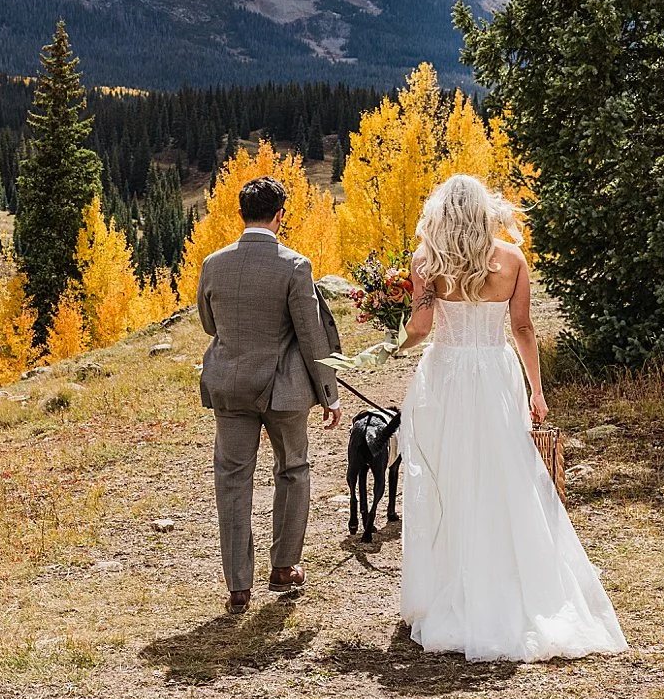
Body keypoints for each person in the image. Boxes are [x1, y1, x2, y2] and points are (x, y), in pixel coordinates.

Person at [394, 174, 626, 661]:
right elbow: (522, 328)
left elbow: (420, 328)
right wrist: (536, 390)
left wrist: (392, 345)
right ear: (483, 211)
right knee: (505, 475)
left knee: (447, 479)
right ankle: (510, 582)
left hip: (445, 374)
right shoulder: (512, 260)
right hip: (495, 375)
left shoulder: (426, 262)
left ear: (441, 212)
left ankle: (452, 582)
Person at [196, 176, 343, 615]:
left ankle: (238, 587)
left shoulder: (212, 263)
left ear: (240, 213)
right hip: (285, 390)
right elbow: (311, 334)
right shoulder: (295, 265)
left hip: (231, 385)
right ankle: (283, 568)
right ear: (280, 215)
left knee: (232, 480)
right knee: (293, 468)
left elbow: (209, 324)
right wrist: (330, 394)